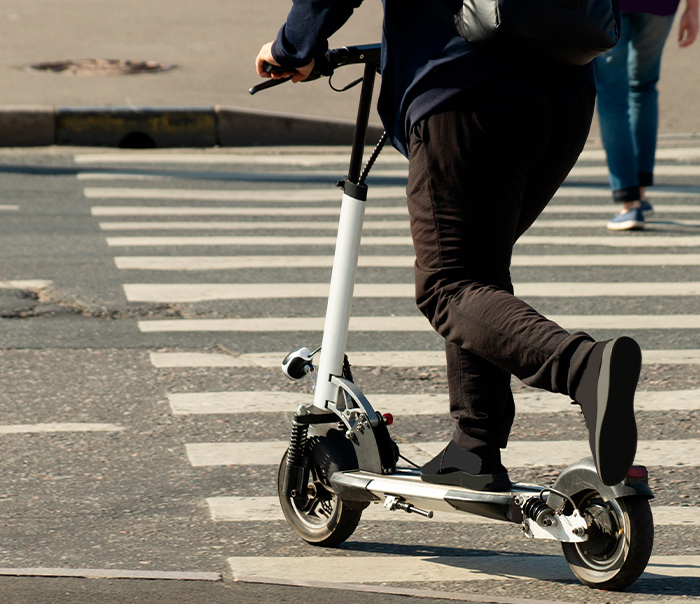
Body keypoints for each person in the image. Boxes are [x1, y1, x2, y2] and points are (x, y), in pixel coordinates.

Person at [256, 0, 643, 491]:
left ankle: (584, 367)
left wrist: (293, 46)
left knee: (448, 283)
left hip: (464, 89)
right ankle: (473, 448)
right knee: (475, 274)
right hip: (566, 92)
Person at [598, 0, 700, 230]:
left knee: (612, 95)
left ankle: (629, 201)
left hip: (608, 5)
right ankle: (639, 195)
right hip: (659, 6)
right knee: (643, 87)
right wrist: (693, 9)